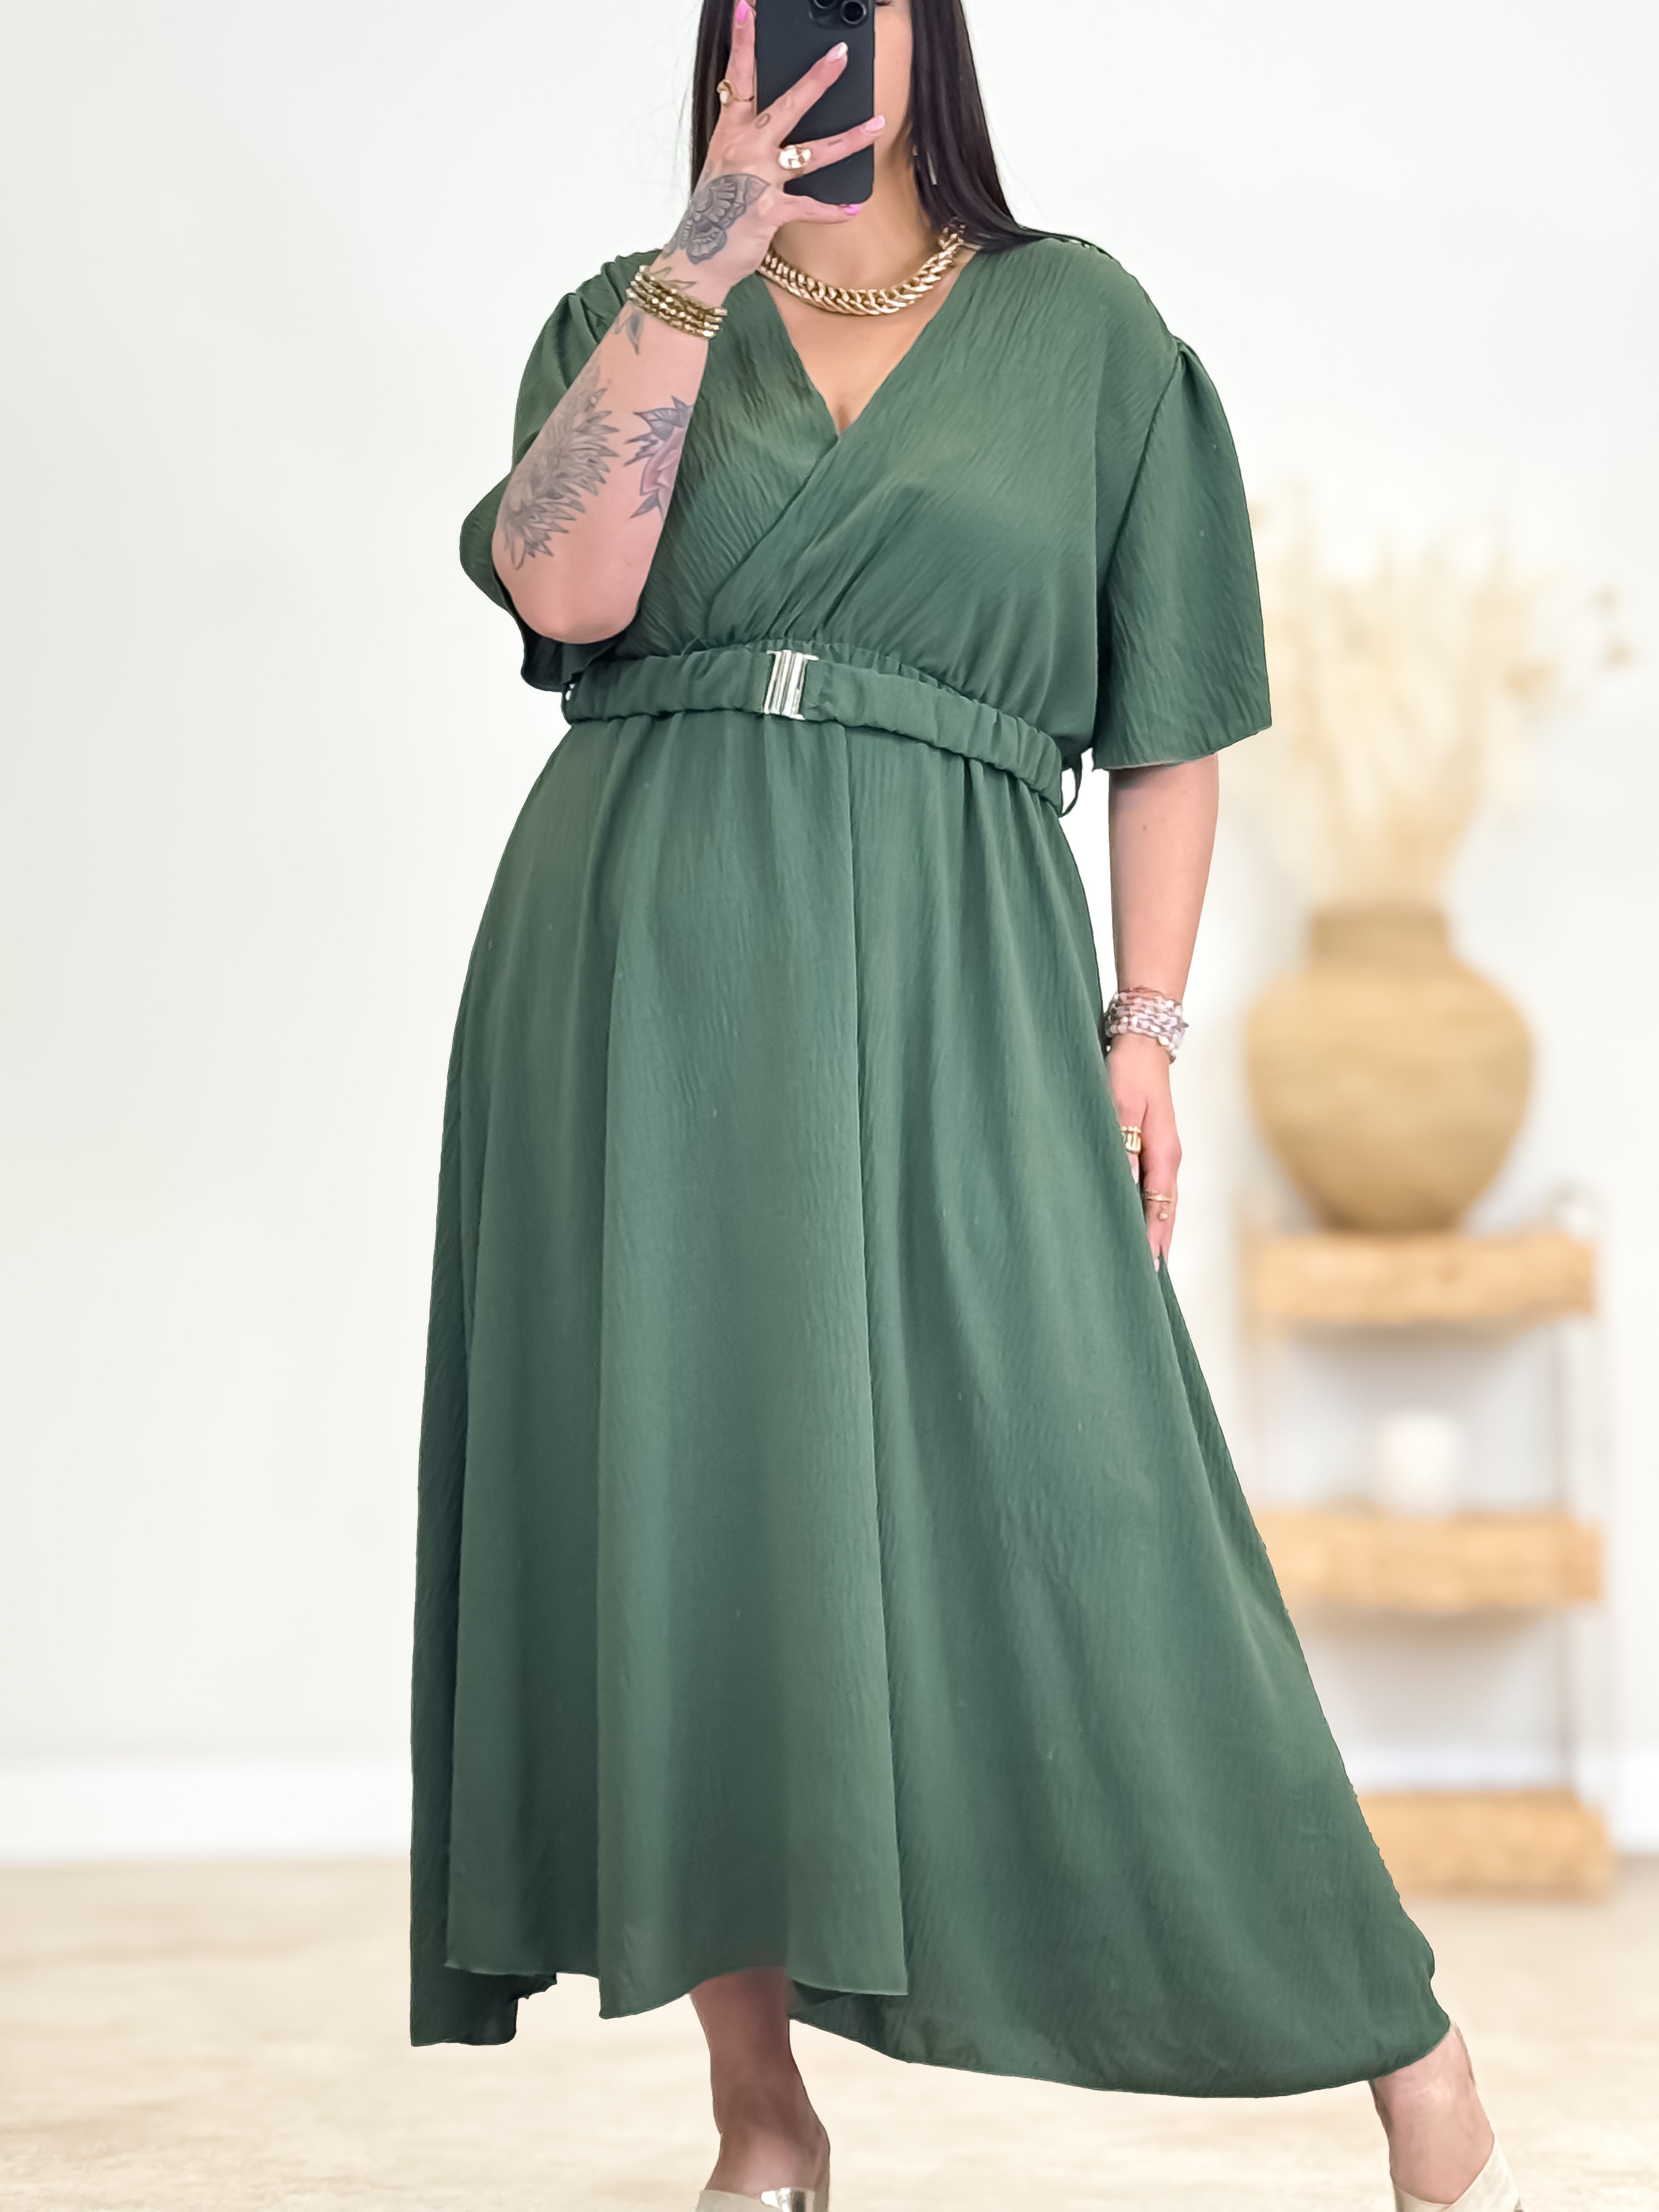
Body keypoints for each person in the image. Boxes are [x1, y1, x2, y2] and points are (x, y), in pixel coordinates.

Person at [411, 4, 1522, 2208]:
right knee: (693, 1512)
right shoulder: (631, 311)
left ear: (935, 39)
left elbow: (1173, 714)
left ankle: (1391, 2026)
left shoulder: (1085, 331)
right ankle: (760, 2116)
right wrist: (704, 258)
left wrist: (1147, 1027)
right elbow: (566, 587)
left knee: (1092, 1483)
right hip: (641, 965)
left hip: (961, 964)